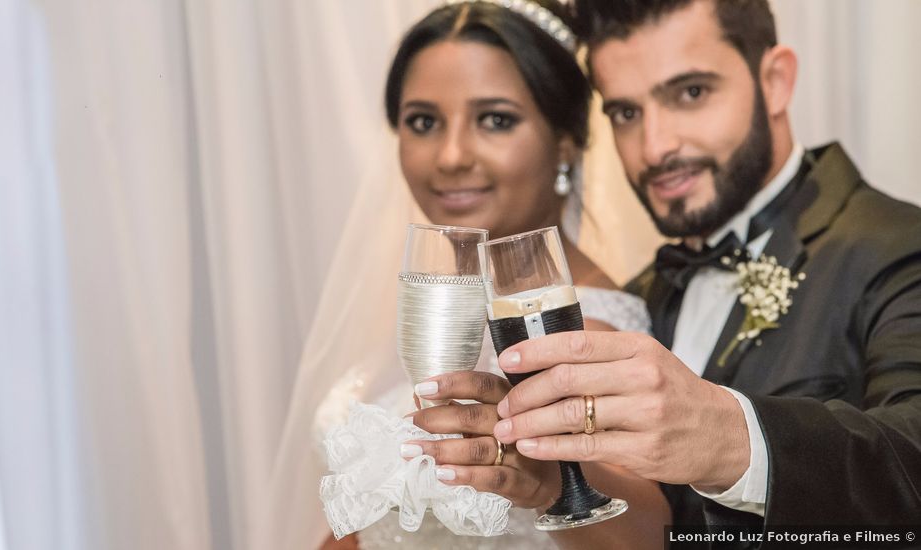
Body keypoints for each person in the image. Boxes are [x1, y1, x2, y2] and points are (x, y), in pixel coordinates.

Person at [472, 0, 921, 543]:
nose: (656, 147)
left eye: (691, 93)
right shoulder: (638, 297)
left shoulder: (898, 245)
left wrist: (728, 438)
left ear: (776, 81)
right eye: (626, 113)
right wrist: (551, 478)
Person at [298, 1, 670, 549]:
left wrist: (545, 483)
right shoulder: (438, 312)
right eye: (423, 122)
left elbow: (654, 533)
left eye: (495, 119)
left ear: (565, 142)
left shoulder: (582, 333)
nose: (450, 155)